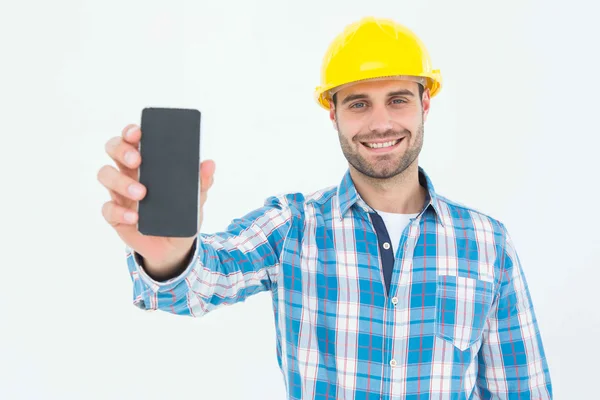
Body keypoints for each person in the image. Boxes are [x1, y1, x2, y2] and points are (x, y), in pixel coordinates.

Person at [98, 16, 552, 399]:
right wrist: (168, 257)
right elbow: (201, 282)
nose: (380, 123)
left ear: (425, 103)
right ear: (332, 113)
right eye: (358, 104)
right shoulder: (292, 226)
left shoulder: (487, 242)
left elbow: (522, 388)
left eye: (397, 99)